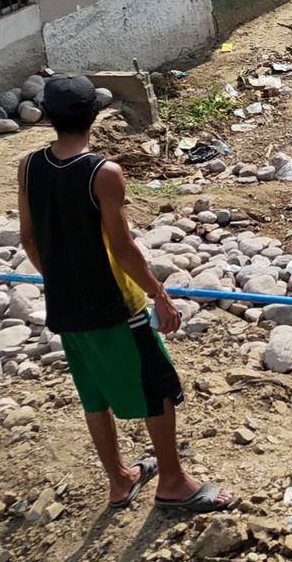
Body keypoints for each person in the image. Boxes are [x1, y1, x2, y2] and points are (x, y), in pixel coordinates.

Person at [17, 73, 234, 513]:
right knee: (156, 386)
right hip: (116, 304)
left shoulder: (28, 166)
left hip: (65, 305)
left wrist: (60, 280)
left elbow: (29, 239)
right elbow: (123, 246)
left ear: (48, 117)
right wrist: (157, 292)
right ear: (94, 116)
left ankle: (119, 478)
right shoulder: (102, 173)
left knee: (93, 392)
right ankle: (173, 482)